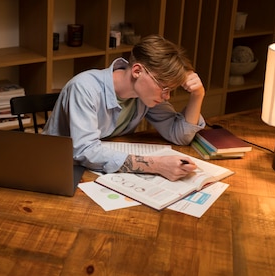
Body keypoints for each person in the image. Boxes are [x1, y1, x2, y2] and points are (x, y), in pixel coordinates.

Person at [42, 34, 206, 181]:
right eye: (164, 88)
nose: (167, 96)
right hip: (58, 171)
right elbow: (86, 151)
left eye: (170, 90)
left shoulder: (143, 96)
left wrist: (198, 95)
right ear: (137, 71)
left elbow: (180, 135)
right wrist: (156, 165)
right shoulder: (84, 88)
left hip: (98, 173)